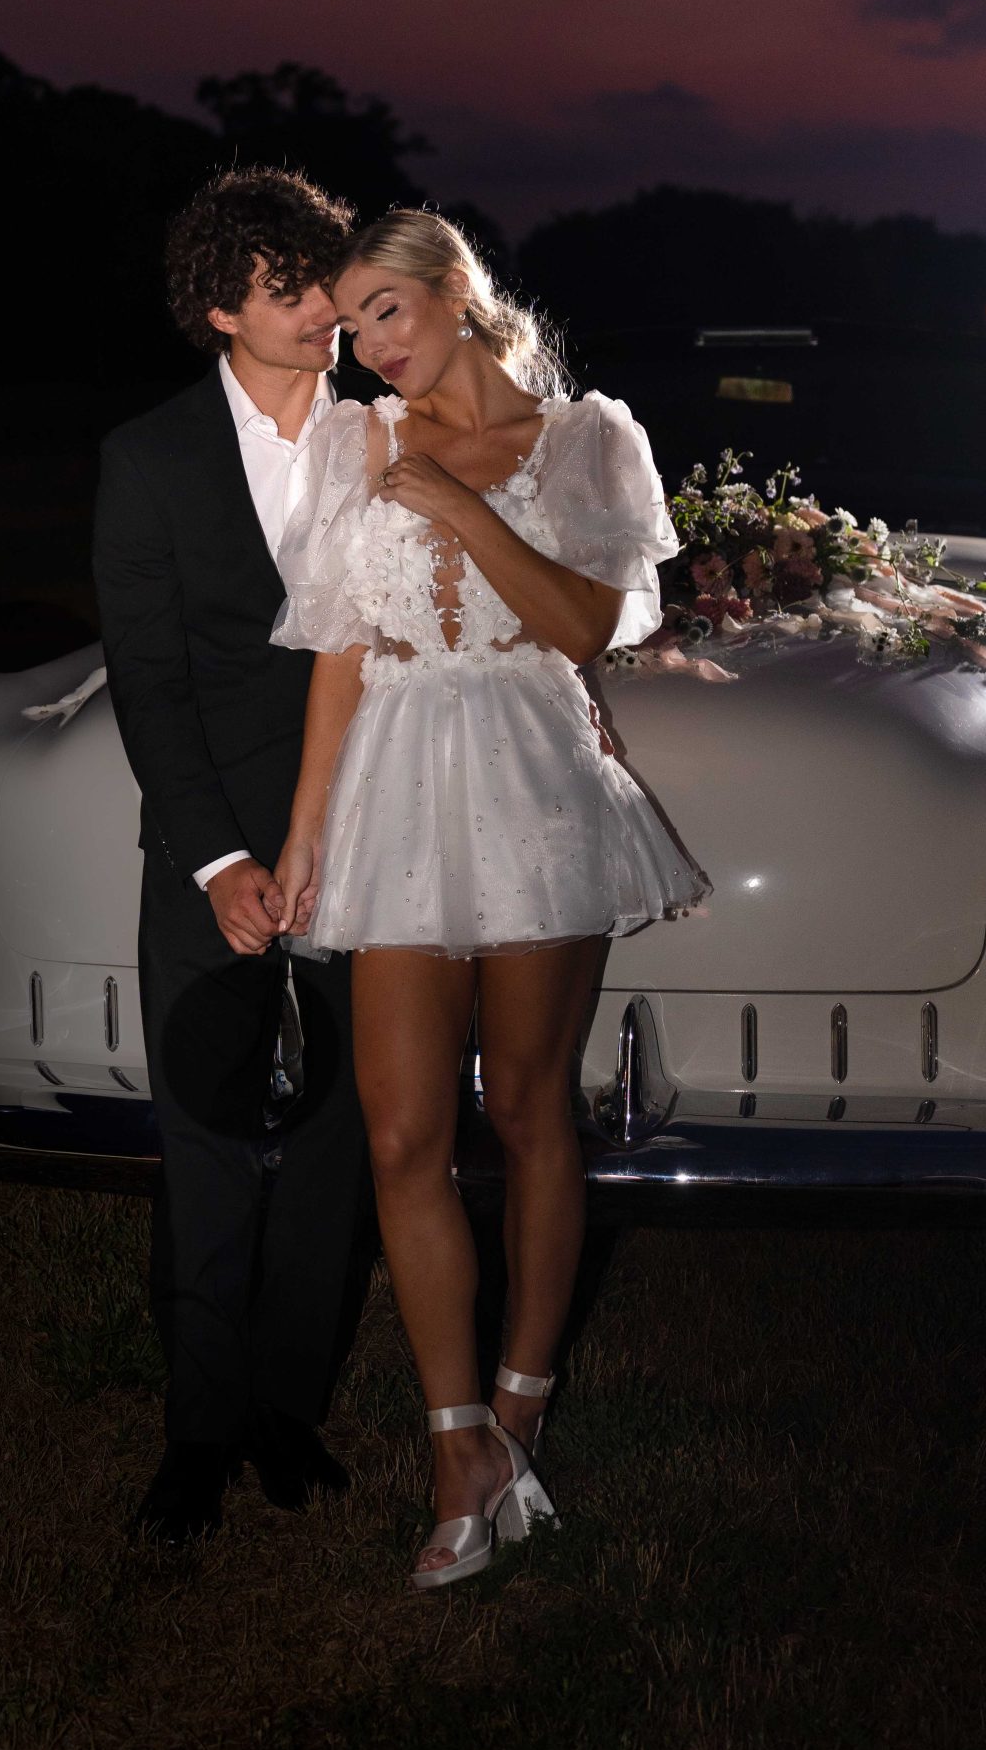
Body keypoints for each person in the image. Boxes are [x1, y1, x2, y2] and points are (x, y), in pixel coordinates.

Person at [270, 209, 706, 1589]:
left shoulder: (585, 440)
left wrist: (461, 508)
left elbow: (586, 629)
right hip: (392, 788)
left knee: (527, 1109)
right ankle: (456, 1439)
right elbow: (338, 654)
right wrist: (301, 840)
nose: (371, 349)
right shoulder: (354, 444)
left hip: (533, 787)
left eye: (387, 312)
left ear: (457, 291)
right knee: (401, 1130)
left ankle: (524, 1400)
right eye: (352, 328)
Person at [92, 166, 373, 1548]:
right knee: (205, 1139)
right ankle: (197, 1434)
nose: (324, 305)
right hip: (206, 855)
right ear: (221, 308)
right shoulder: (146, 459)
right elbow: (147, 681)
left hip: (363, 842)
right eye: (288, 287)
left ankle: (286, 1412)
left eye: (325, 278)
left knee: (333, 1140)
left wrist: (327, 841)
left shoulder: (383, 442)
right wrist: (218, 861)